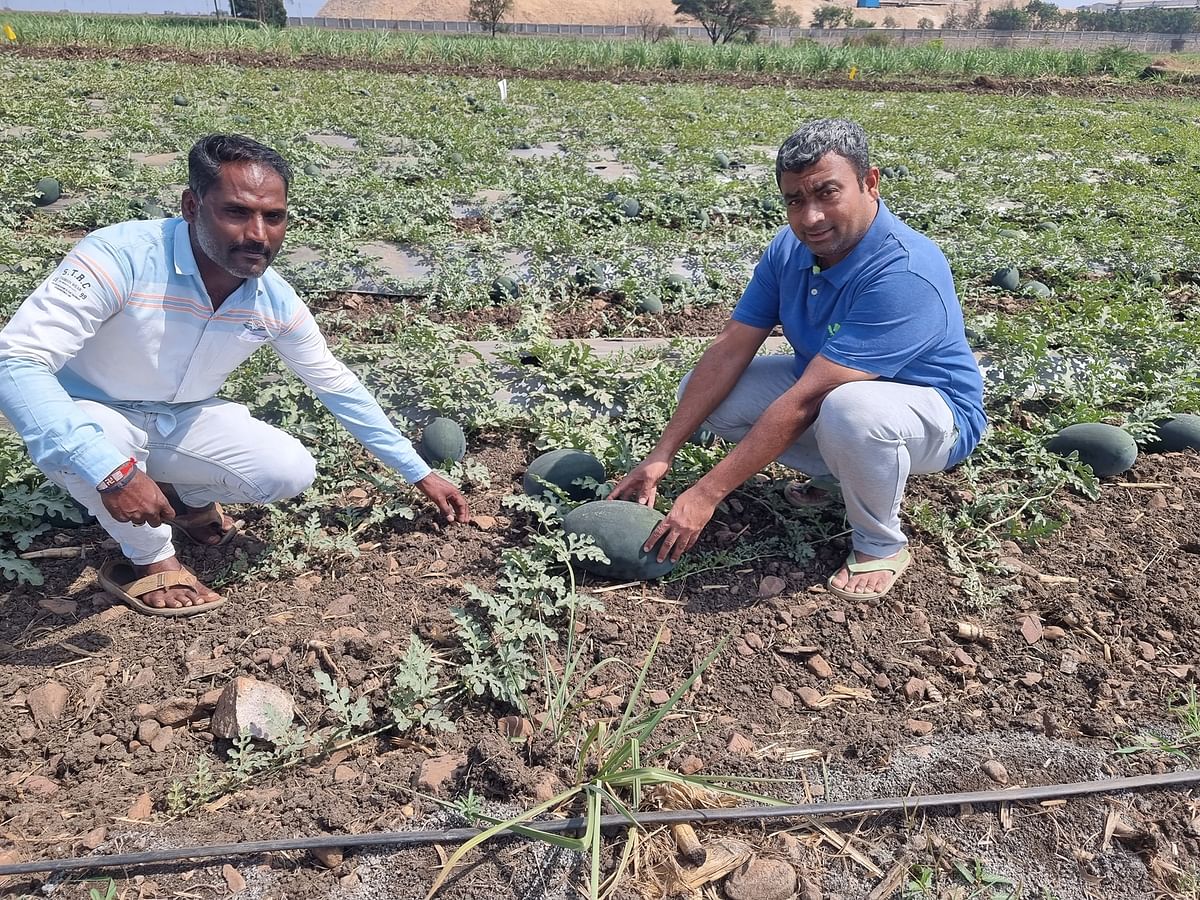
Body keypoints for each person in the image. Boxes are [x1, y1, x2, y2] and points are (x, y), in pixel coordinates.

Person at [0, 134, 469, 616]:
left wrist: (420, 471)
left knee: (287, 469)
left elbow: (336, 384)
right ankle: (151, 560)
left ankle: (185, 499)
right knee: (98, 445)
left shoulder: (272, 299)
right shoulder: (122, 258)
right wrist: (110, 470)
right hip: (88, 413)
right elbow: (15, 362)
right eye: (237, 212)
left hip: (177, 417)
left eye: (274, 217)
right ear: (191, 206)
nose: (258, 234)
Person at [610, 119, 985, 601]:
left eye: (827, 193)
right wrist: (661, 454)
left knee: (851, 411)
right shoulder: (790, 250)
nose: (810, 218)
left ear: (870, 183)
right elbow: (730, 347)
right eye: (794, 200)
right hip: (833, 388)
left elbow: (809, 399)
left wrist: (705, 493)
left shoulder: (905, 271)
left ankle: (879, 543)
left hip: (935, 415)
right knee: (707, 396)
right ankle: (837, 477)